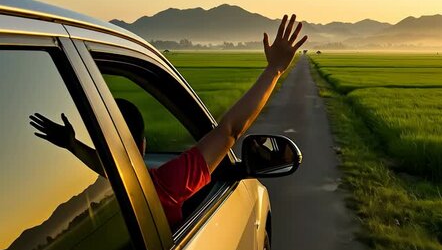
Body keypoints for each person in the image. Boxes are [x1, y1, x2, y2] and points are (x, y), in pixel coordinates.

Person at [29, 15, 307, 230]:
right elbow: (229, 131)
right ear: (142, 145)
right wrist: (275, 70)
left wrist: (72, 145)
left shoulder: (99, 201)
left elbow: (111, 170)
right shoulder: (161, 188)